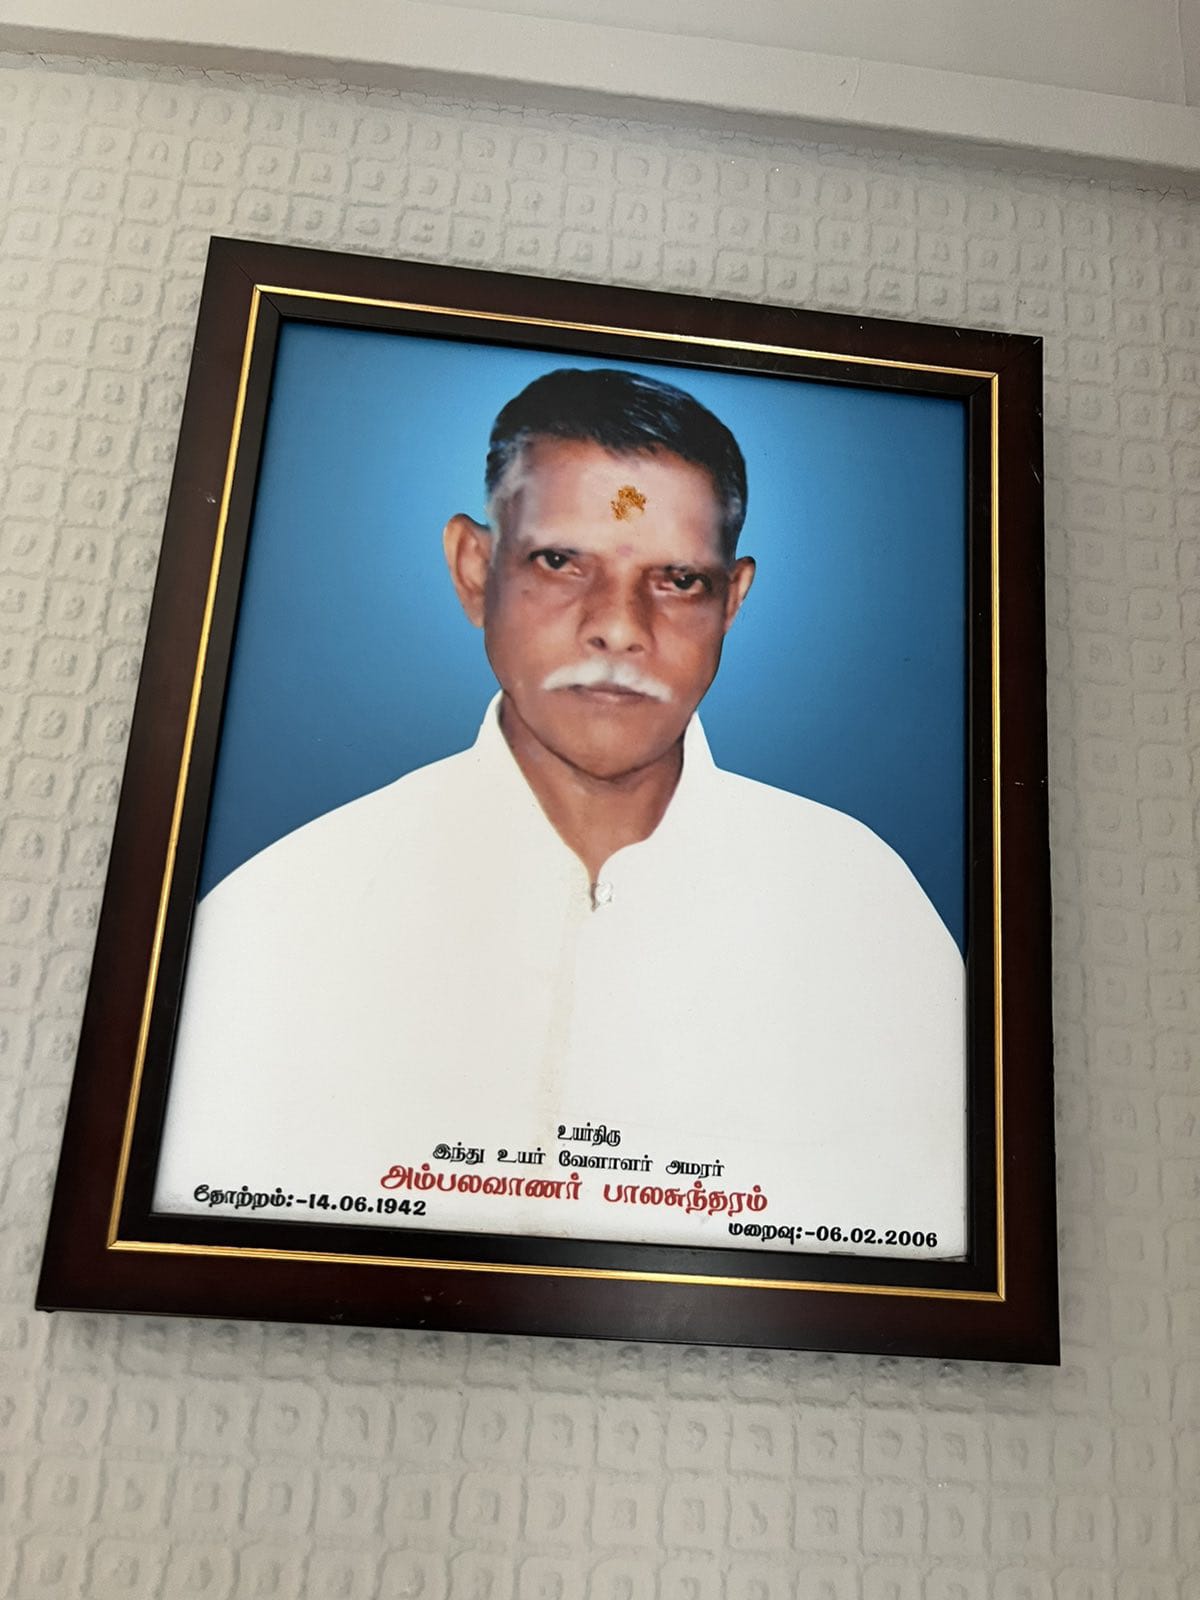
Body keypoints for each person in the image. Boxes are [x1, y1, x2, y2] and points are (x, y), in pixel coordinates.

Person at [154, 368, 966, 1258]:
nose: (618, 626)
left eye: (678, 579)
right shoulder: (287, 908)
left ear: (733, 600)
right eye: (559, 561)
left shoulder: (861, 907)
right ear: (475, 568)